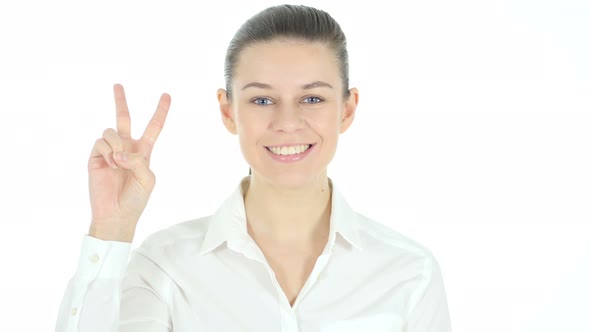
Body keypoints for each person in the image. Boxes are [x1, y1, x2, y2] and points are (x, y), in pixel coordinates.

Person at [56, 4, 451, 332]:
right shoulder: (165, 266)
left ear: (346, 110)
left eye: (312, 99)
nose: (287, 122)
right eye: (262, 101)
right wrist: (111, 228)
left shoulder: (409, 273)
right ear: (228, 111)